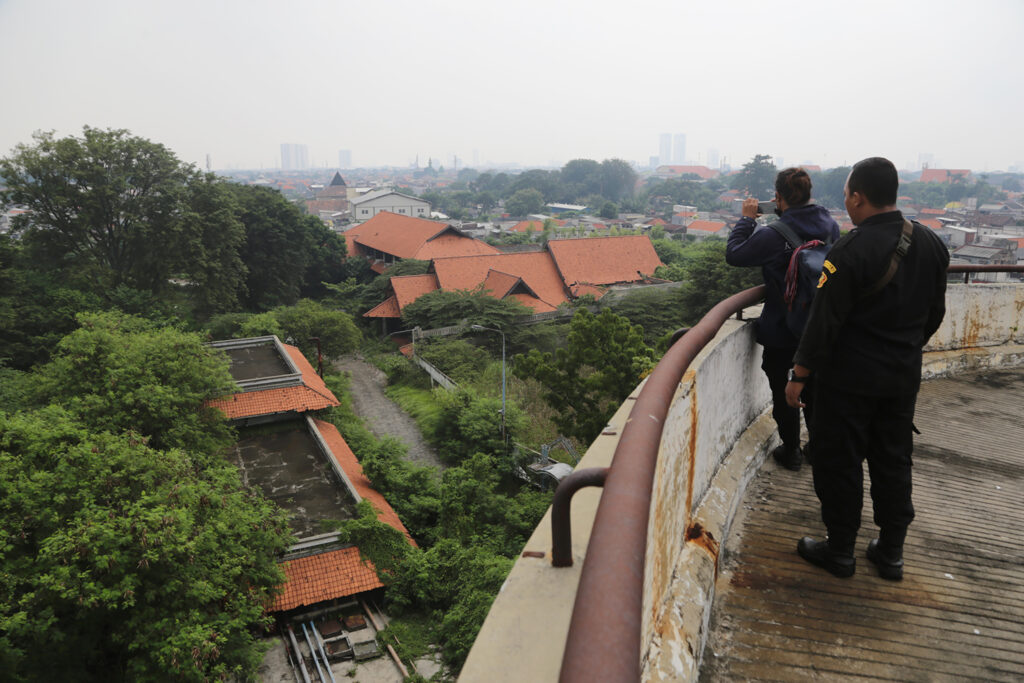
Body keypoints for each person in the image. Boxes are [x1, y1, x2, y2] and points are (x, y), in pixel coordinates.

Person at [785, 157, 949, 580]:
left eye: (846, 195)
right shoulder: (931, 243)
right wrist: (902, 350)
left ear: (858, 196)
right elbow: (934, 314)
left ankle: (840, 551)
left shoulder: (850, 250)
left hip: (849, 381)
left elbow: (823, 323)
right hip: (900, 379)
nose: (846, 203)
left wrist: (799, 377)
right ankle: (891, 552)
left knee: (840, 462)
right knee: (893, 460)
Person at [726, 167, 840, 471]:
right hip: (820, 328)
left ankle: (791, 451)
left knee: (783, 391)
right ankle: (817, 448)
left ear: (777, 197)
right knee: (815, 389)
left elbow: (734, 254)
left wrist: (748, 219)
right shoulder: (830, 226)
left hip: (783, 330)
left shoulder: (773, 235)